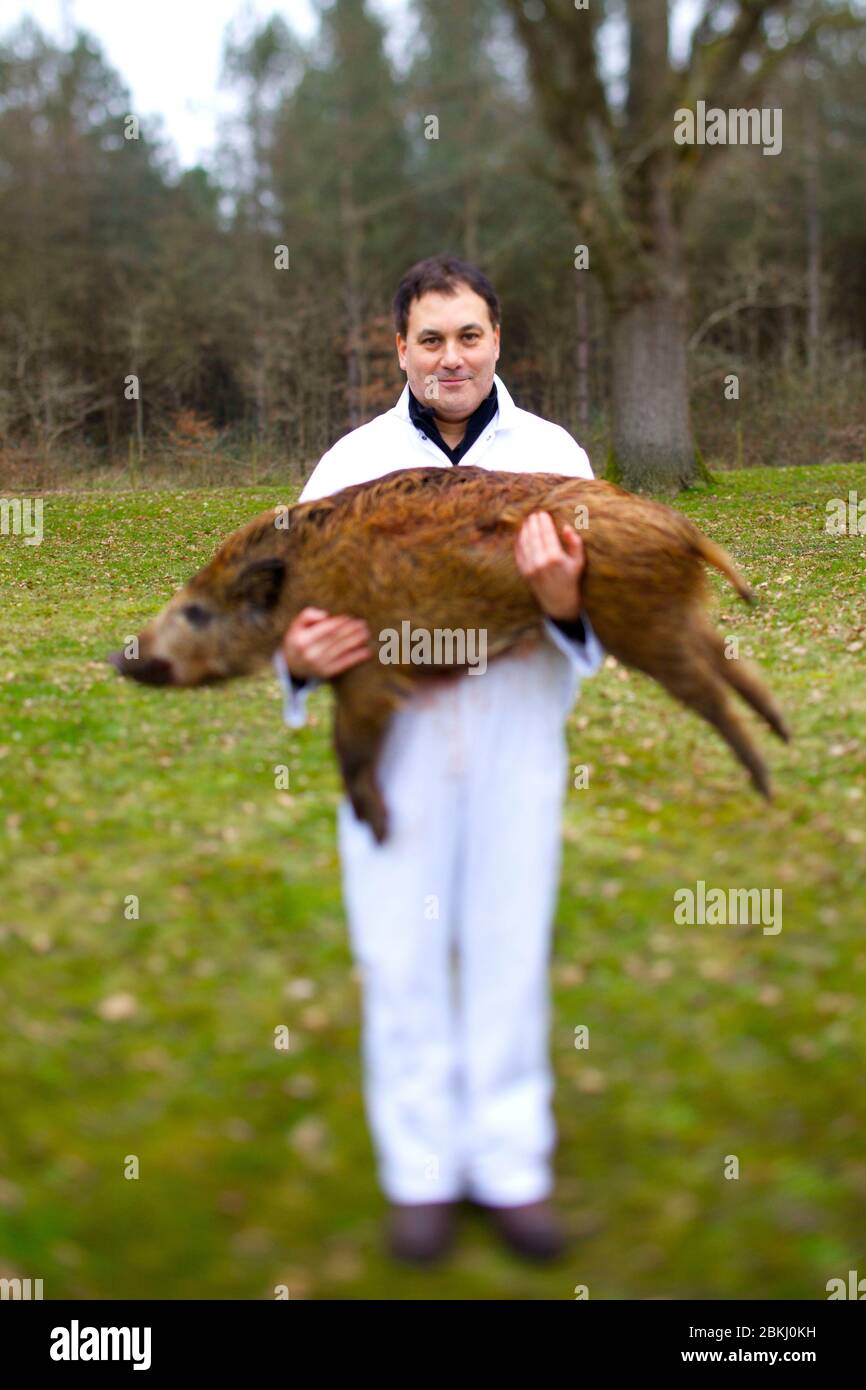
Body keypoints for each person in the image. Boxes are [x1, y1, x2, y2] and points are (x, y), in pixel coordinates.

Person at [275, 255, 604, 1264]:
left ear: (496, 339)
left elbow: (608, 612)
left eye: (469, 335)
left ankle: (507, 1167)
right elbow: (290, 612)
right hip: (398, 745)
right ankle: (419, 1171)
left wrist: (562, 603)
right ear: (399, 349)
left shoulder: (552, 457)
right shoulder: (346, 467)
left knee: (506, 948)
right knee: (398, 952)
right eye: (430, 338)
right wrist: (297, 660)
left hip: (514, 731)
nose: (451, 356)